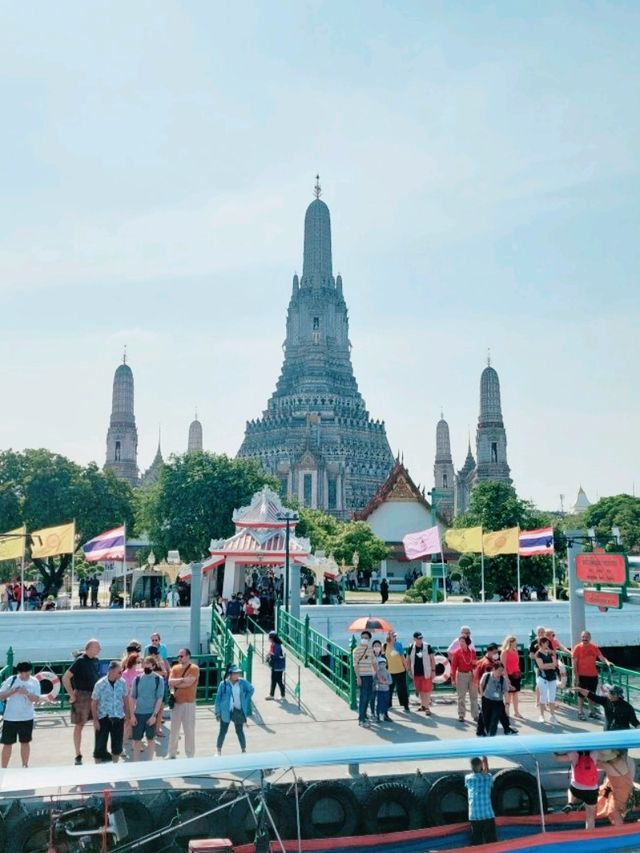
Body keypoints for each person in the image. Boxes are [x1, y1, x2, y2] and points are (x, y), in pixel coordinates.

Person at [62, 638, 102, 766]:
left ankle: (98, 750)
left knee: (98, 723)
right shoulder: (79, 661)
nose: (99, 649)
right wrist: (72, 694)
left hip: (95, 695)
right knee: (79, 725)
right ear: (89, 648)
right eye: (97, 647)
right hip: (82, 695)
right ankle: (78, 754)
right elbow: (66, 677)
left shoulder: (96, 661)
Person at [0, 661, 46, 768]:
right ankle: (3, 768)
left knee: (25, 742)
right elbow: (1, 695)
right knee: (7, 744)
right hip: (10, 717)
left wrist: (26, 693)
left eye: (26, 672)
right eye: (22, 672)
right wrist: (13, 691)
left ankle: (25, 765)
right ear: (19, 671)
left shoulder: (34, 681)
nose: (24, 674)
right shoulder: (12, 680)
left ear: (30, 671)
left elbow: (36, 699)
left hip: (27, 717)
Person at [91, 660, 131, 764]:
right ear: (112, 671)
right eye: (119, 672)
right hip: (103, 717)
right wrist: (95, 720)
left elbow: (126, 700)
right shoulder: (100, 684)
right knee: (99, 747)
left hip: (118, 717)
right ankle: (99, 771)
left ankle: (115, 767)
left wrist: (128, 716)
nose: (121, 674)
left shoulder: (122, 682)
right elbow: (94, 703)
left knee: (117, 746)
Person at [130, 656, 165, 761]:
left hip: (150, 713)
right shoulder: (137, 679)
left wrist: (154, 715)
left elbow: (159, 698)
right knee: (136, 740)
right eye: (144, 664)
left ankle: (149, 763)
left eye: (148, 665)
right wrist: (132, 715)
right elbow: (132, 697)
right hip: (138, 713)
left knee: (151, 739)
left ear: (153, 666)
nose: (145, 667)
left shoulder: (158, 679)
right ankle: (136, 762)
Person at [214, 664, 255, 755]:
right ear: (230, 674)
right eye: (235, 673)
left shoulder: (242, 682)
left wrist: (245, 699)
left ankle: (243, 750)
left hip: (238, 711)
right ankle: (218, 750)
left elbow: (251, 689)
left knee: (239, 731)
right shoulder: (223, 684)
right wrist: (217, 713)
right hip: (225, 711)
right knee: (223, 731)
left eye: (238, 673)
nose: (237, 675)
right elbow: (218, 699)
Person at [167, 648, 200, 759]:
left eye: (181, 656)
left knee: (189, 730)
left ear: (188, 656)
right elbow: (170, 682)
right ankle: (171, 753)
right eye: (179, 656)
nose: (179, 658)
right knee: (174, 729)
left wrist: (176, 683)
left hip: (189, 702)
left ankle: (190, 755)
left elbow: (189, 683)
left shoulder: (194, 668)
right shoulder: (175, 668)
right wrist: (182, 680)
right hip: (176, 702)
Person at [572, 630, 611, 720]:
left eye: (586, 637)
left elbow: (601, 657)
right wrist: (576, 676)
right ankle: (580, 712)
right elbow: (574, 663)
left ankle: (592, 712)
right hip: (581, 675)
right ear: (581, 638)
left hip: (593, 675)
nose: (585, 639)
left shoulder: (594, 647)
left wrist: (607, 662)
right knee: (581, 695)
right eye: (583, 637)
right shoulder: (577, 648)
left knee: (592, 695)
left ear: (590, 638)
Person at [558, 750, 600, 830]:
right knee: (590, 816)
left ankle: (570, 803)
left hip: (577, 789)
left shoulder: (574, 753)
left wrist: (555, 753)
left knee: (571, 789)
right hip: (592, 790)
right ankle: (590, 836)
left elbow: (558, 759)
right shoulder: (594, 752)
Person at [574, 684, 639, 730]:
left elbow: (635, 722)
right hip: (608, 732)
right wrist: (580, 689)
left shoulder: (627, 707)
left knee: (617, 750)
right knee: (606, 749)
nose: (608, 694)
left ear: (616, 695)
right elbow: (592, 696)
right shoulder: (606, 701)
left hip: (622, 735)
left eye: (610, 693)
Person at [596, 749, 636, 825]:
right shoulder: (624, 760)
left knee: (615, 813)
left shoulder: (607, 765)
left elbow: (594, 764)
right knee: (618, 810)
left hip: (619, 793)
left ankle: (619, 830)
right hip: (627, 788)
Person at [464, 756, 496, 845]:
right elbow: (487, 773)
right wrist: (485, 761)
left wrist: (482, 764)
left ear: (471, 767)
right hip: (487, 814)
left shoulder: (468, 778)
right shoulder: (488, 777)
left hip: (474, 815)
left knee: (477, 841)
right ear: (481, 765)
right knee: (491, 841)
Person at [479, 662, 512, 737]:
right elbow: (481, 685)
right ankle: (481, 732)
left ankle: (492, 735)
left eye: (502, 670)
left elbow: (506, 693)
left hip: (498, 702)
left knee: (495, 718)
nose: (500, 672)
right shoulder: (486, 676)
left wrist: (507, 705)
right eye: (499, 670)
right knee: (485, 717)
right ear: (493, 669)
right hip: (487, 700)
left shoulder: (503, 680)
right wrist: (482, 695)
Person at [352, 630, 377, 727]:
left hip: (370, 675)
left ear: (369, 639)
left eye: (366, 638)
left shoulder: (370, 649)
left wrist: (377, 673)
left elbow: (374, 662)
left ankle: (364, 715)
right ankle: (361, 719)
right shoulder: (356, 650)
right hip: (362, 676)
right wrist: (358, 677)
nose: (364, 639)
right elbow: (355, 665)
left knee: (369, 697)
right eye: (363, 637)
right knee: (363, 697)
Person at [451, 633, 478, 723]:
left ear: (467, 642)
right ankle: (461, 714)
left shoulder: (472, 652)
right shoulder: (457, 653)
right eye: (460, 642)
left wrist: (476, 675)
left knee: (474, 696)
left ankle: (475, 715)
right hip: (461, 675)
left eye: (462, 641)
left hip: (471, 675)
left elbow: (475, 664)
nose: (461, 643)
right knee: (461, 696)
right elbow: (453, 666)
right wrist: (453, 678)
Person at [407, 631, 436, 715]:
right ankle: (423, 705)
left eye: (421, 638)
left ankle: (427, 707)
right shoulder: (411, 647)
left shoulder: (427, 646)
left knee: (426, 690)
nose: (420, 640)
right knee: (420, 690)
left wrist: (433, 671)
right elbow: (408, 659)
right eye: (418, 638)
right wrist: (408, 670)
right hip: (416, 672)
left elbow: (432, 659)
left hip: (426, 672)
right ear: (414, 639)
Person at [535, 636, 559, 724]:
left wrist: (547, 665)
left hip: (552, 677)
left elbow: (555, 664)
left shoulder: (550, 652)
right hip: (543, 677)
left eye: (548, 643)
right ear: (541, 643)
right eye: (545, 642)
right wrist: (550, 665)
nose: (547, 644)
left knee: (552, 697)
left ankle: (552, 716)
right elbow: (541, 666)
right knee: (543, 696)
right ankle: (541, 715)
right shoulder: (538, 654)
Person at [384, 631, 409, 712]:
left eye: (395, 636)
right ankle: (388, 704)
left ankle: (405, 705)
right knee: (389, 689)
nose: (394, 637)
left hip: (400, 670)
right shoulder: (384, 646)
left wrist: (406, 667)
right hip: (390, 671)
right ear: (389, 637)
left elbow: (402, 657)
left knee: (402, 689)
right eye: (393, 636)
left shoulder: (398, 644)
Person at [500, 636, 523, 720]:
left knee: (515, 693)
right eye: (514, 642)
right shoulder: (504, 652)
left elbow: (517, 663)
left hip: (516, 674)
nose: (516, 644)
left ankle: (516, 712)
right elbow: (503, 666)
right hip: (508, 675)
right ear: (510, 642)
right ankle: (506, 712)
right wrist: (506, 678)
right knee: (508, 694)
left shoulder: (515, 651)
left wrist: (519, 672)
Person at [265, 631, 286, 700]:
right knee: (273, 680)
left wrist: (270, 654)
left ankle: (283, 695)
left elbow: (276, 655)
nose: (269, 639)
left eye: (269, 637)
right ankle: (271, 695)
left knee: (279, 680)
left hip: (279, 665)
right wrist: (269, 654)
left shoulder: (277, 645)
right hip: (274, 665)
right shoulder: (273, 644)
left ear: (272, 638)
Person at [374, 657, 392, 722]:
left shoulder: (387, 673)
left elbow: (390, 681)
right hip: (379, 690)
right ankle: (377, 716)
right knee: (379, 703)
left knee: (386, 703)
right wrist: (378, 682)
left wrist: (385, 682)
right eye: (380, 664)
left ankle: (385, 715)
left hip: (386, 690)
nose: (382, 665)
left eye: (384, 664)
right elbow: (375, 680)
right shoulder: (377, 673)